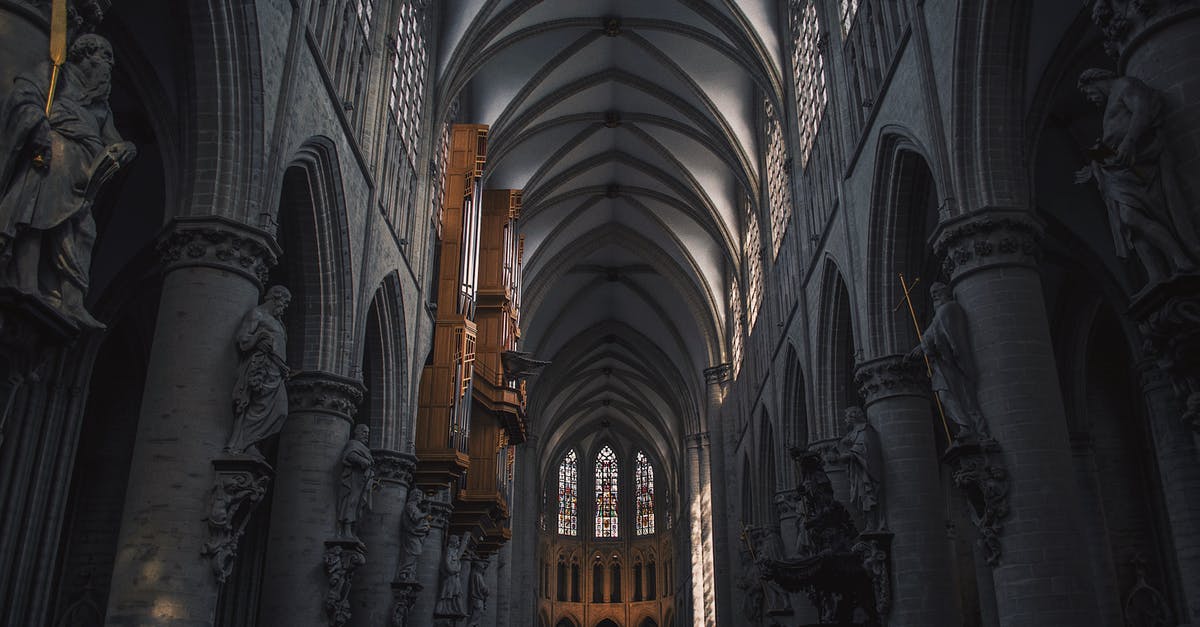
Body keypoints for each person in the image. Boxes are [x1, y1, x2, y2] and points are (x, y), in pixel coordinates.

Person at [0, 33, 136, 328]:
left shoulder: (100, 105)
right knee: (35, 216)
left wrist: (127, 147)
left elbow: (113, 137)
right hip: (52, 159)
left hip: (84, 176)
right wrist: (36, 126)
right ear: (85, 54)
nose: (110, 66)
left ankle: (71, 300)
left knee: (82, 232)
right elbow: (25, 97)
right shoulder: (55, 77)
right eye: (105, 57)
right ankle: (26, 283)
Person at [1074, 68, 1197, 284]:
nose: (1090, 98)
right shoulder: (1110, 103)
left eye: (1088, 92)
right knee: (1128, 225)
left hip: (1139, 164)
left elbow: (1143, 109)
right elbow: (1112, 139)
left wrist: (1130, 141)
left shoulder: (1124, 85)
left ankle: (1182, 259)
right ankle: (1156, 275)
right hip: (1119, 170)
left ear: (1097, 80)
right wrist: (1094, 165)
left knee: (1131, 217)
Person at [909, 282, 989, 440]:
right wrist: (921, 347)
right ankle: (965, 426)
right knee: (946, 397)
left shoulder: (948, 309)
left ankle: (969, 426)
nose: (934, 295)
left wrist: (924, 346)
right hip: (941, 365)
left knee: (956, 396)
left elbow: (937, 333)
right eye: (932, 294)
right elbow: (933, 331)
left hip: (949, 363)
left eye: (937, 292)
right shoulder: (940, 313)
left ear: (946, 292)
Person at [227, 286, 291, 456]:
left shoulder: (279, 323)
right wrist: (258, 338)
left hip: (277, 372)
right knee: (256, 406)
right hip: (262, 368)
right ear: (275, 298)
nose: (285, 306)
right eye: (285, 302)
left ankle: (251, 441)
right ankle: (244, 444)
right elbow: (243, 338)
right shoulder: (258, 314)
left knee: (280, 412)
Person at [838, 407, 884, 531]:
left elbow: (866, 449)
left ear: (854, 417)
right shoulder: (852, 433)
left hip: (864, 472)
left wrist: (850, 454)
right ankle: (869, 525)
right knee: (860, 499)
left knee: (867, 498)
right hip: (856, 472)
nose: (845, 420)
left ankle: (872, 526)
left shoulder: (865, 429)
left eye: (846, 417)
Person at [336, 424, 375, 538]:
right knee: (350, 503)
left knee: (360, 506)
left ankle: (353, 530)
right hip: (354, 479)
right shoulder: (353, 443)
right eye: (363, 432)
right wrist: (362, 460)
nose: (366, 435)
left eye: (367, 433)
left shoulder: (366, 449)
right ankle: (345, 528)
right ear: (356, 432)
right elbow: (349, 455)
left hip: (363, 481)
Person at [395, 489, 431, 581]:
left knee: (416, 553)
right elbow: (416, 518)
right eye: (418, 496)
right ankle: (404, 571)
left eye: (420, 495)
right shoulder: (410, 506)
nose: (420, 498)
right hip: (412, 533)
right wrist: (426, 513)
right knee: (414, 552)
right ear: (414, 496)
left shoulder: (416, 507)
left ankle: (409, 572)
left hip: (417, 533)